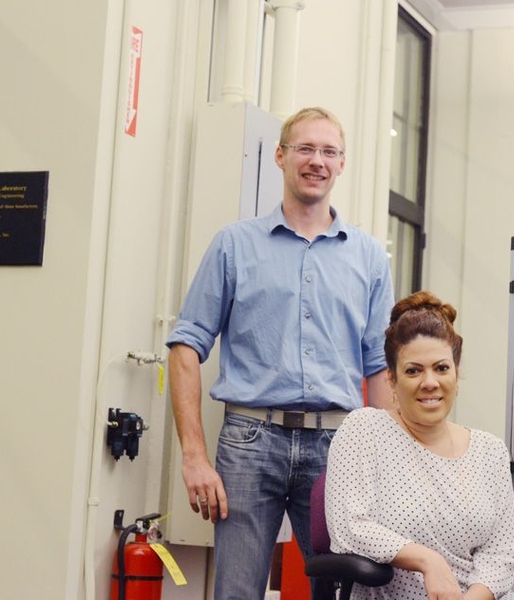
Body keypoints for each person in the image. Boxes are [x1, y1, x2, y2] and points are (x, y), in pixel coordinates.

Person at [165, 106, 394, 599]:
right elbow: (185, 347)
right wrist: (193, 455)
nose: (317, 161)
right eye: (306, 149)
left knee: (345, 593)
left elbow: (379, 366)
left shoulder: (370, 256)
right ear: (281, 156)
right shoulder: (234, 245)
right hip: (250, 443)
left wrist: (389, 459)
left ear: (342, 163)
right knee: (237, 592)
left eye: (329, 151)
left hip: (340, 449)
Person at [325, 291, 514, 600]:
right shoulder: (364, 430)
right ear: (391, 379)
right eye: (413, 370)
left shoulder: (490, 450)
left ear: (457, 376)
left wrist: (473, 597)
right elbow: (349, 528)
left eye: (442, 368)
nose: (430, 382)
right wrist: (427, 560)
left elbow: (503, 550)